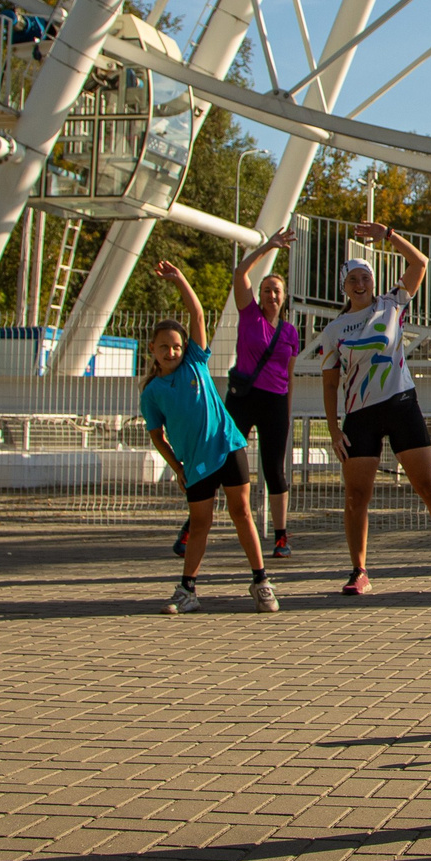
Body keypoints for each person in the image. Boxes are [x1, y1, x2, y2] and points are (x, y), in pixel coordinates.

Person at [315, 224, 431, 596]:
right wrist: (334, 429)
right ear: (344, 286)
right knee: (356, 496)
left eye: (365, 277)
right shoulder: (334, 329)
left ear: (373, 281)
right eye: (352, 278)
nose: (359, 283)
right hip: (360, 416)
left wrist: (387, 234)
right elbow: (328, 383)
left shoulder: (391, 303)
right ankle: (358, 570)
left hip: (401, 404)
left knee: (430, 486)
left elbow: (420, 262)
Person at [144, 259, 277, 615]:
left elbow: (198, 315)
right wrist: (178, 466)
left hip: (228, 446)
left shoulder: (195, 363)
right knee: (200, 523)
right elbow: (157, 436)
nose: (171, 352)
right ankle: (187, 590)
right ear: (152, 351)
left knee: (242, 512)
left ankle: (261, 581)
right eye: (164, 347)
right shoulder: (152, 392)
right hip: (195, 462)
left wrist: (180, 279)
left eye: (176, 346)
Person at [174, 228, 301, 561]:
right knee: (220, 460)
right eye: (267, 290)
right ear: (259, 295)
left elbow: (289, 375)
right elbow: (239, 274)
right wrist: (268, 246)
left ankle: (281, 536)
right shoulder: (249, 315)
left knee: (274, 468)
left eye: (277, 291)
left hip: (274, 402)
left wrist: (286, 412)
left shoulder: (289, 332)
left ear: (284, 298)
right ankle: (191, 527)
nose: (272, 295)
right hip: (242, 397)